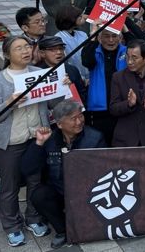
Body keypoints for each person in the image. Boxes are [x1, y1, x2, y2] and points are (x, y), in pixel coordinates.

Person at [0, 36, 51, 246]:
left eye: (27, 47)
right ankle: (11, 225)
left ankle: (33, 218)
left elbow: (51, 103)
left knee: (35, 181)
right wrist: (9, 103)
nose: (25, 51)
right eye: (18, 48)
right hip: (9, 142)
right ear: (6, 54)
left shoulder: (39, 74)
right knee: (9, 185)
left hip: (36, 138)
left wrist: (62, 86)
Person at [21, 100, 105, 249]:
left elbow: (105, 169)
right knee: (39, 195)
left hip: (88, 190)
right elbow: (28, 169)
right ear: (59, 124)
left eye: (80, 116)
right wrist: (39, 143)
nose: (79, 121)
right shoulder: (50, 139)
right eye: (73, 119)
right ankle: (63, 231)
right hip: (60, 190)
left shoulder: (95, 137)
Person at [109, 40, 145, 147]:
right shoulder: (118, 77)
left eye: (134, 57)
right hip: (125, 140)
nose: (129, 62)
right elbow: (113, 108)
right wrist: (128, 104)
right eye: (127, 57)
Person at [81, 26, 126, 145]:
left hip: (123, 108)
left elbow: (143, 48)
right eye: (106, 36)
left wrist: (125, 28)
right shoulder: (94, 52)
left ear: (120, 37)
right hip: (100, 110)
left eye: (114, 36)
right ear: (99, 38)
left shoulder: (127, 52)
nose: (111, 40)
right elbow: (86, 60)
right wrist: (93, 36)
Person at [36, 36, 87, 102]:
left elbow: (82, 94)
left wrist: (71, 87)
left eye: (61, 48)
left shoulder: (72, 69)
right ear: (42, 53)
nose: (59, 52)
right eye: (53, 50)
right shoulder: (37, 72)